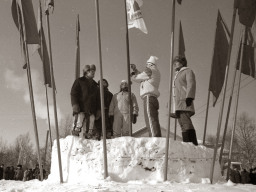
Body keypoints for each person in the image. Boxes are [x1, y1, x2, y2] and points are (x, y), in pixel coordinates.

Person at [130, 56, 161, 137]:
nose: (146, 66)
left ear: (150, 64)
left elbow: (138, 78)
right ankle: (156, 136)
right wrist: (135, 70)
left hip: (148, 98)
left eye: (147, 64)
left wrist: (132, 75)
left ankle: (154, 137)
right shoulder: (154, 71)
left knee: (150, 119)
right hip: (153, 98)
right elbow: (143, 76)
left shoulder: (150, 70)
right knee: (154, 119)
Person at [170, 55, 198, 145]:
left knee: (186, 122)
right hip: (178, 103)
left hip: (184, 101)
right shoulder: (177, 75)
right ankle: (187, 143)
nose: (174, 64)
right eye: (173, 62)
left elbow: (191, 83)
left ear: (182, 63)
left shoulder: (187, 71)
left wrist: (189, 96)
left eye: (176, 62)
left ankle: (192, 143)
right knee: (182, 124)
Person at [70, 64, 100, 138]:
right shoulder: (80, 81)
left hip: (91, 108)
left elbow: (98, 98)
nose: (93, 73)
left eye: (94, 71)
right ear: (86, 72)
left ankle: (87, 136)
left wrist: (98, 109)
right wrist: (75, 104)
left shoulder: (95, 85)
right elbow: (74, 93)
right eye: (91, 71)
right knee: (79, 120)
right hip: (81, 107)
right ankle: (75, 134)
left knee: (91, 120)